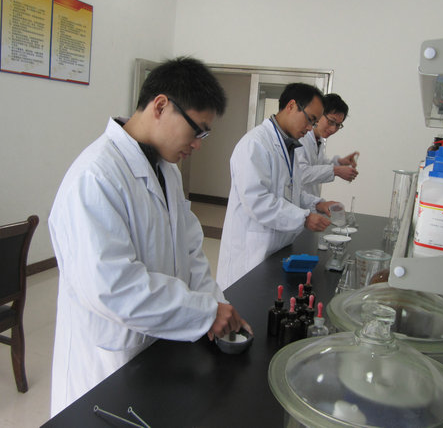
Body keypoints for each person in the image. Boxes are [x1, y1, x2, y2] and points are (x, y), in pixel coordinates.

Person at [48, 57, 251, 416]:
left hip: (157, 345)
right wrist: (204, 313)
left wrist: (216, 307)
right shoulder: (95, 177)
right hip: (107, 363)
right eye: (197, 130)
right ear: (160, 106)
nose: (198, 144)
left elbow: (191, 251)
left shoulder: (166, 170)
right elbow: (113, 288)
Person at [216, 83, 338, 290]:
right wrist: (304, 218)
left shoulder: (288, 145)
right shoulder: (254, 144)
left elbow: (291, 191)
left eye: (314, 122)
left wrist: (317, 204)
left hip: (276, 248)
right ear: (291, 106)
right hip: (250, 253)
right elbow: (258, 201)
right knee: (245, 302)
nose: (310, 128)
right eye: (310, 119)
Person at [296, 93, 358, 197]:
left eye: (338, 125)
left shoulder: (318, 140)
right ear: (319, 114)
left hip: (309, 201)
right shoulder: (301, 138)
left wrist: (340, 162)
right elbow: (300, 173)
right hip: (297, 201)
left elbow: (321, 166)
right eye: (331, 121)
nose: (333, 129)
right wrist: (336, 171)